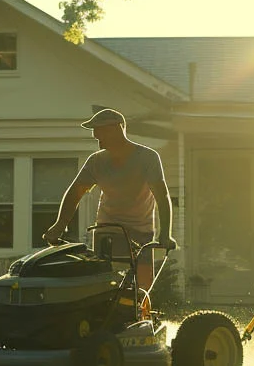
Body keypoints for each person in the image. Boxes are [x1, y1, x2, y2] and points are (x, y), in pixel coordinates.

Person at [43, 108, 177, 297]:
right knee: (105, 286)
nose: (97, 138)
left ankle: (140, 316)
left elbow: (162, 197)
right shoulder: (96, 161)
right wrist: (59, 225)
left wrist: (165, 235)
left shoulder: (147, 158)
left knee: (142, 291)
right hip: (108, 231)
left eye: (100, 133)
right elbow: (75, 193)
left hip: (141, 232)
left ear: (116, 129)